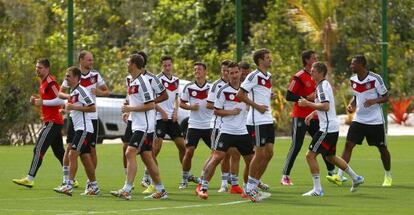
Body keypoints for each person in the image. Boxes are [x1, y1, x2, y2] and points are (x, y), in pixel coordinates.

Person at [298, 62, 364, 196]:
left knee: (310, 156)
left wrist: (307, 104)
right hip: (332, 127)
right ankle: (356, 178)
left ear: (320, 72)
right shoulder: (324, 85)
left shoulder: (322, 87)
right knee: (330, 157)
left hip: (327, 128)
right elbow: (326, 106)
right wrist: (313, 114)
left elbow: (326, 106)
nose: (311, 73)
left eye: (313, 71)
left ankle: (317, 190)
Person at [327, 55, 392, 187]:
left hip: (375, 121)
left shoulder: (375, 78)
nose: (351, 66)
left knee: (382, 148)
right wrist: (352, 105)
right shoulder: (353, 79)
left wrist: (374, 101)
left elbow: (386, 97)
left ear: (361, 64)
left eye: (353, 64)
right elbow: (356, 97)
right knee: (348, 145)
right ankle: (339, 176)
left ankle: (388, 175)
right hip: (359, 120)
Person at [110, 54, 168, 200]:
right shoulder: (133, 81)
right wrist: (129, 109)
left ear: (134, 64)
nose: (126, 64)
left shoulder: (143, 82)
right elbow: (136, 102)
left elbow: (150, 105)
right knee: (147, 157)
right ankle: (161, 190)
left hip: (144, 126)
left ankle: (127, 189)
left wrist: (131, 109)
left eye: (128, 62)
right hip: (137, 125)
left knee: (130, 153)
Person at [196, 62, 254, 199]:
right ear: (227, 74)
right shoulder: (223, 90)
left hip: (242, 131)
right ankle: (203, 187)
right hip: (226, 130)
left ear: (240, 73)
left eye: (235, 72)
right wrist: (231, 112)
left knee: (251, 161)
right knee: (217, 157)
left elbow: (251, 103)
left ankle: (247, 189)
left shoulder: (247, 89)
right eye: (230, 73)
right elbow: (216, 111)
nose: (233, 75)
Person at [281, 50, 335, 186]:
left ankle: (331, 173)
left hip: (315, 116)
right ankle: (285, 176)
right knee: (297, 145)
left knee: (322, 144)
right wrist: (305, 98)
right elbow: (288, 96)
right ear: (306, 60)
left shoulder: (318, 78)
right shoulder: (298, 76)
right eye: (313, 57)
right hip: (300, 116)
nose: (316, 59)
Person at [58, 50, 109, 191]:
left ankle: (72, 184)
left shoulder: (88, 83)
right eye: (89, 60)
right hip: (78, 122)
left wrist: (98, 93)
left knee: (78, 152)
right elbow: (61, 93)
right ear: (81, 60)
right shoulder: (73, 85)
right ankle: (91, 185)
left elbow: (96, 103)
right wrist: (68, 106)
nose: (91, 62)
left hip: (87, 123)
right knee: (81, 155)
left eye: (92, 60)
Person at [12, 58, 66, 188]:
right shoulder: (43, 82)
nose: (37, 69)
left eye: (40, 67)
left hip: (53, 122)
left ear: (47, 69)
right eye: (36, 67)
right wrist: (38, 99)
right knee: (59, 152)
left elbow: (61, 100)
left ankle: (30, 178)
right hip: (53, 121)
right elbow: (49, 99)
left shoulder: (50, 82)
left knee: (38, 149)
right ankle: (70, 179)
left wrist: (42, 102)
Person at [54, 66, 100, 196]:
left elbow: (92, 108)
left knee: (72, 154)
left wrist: (73, 106)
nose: (66, 78)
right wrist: (66, 110)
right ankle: (94, 187)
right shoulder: (73, 92)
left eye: (68, 76)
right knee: (85, 158)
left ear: (75, 78)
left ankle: (68, 185)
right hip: (79, 128)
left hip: (84, 129)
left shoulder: (81, 90)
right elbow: (78, 108)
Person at [237, 48, 275, 202]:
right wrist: (256, 106)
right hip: (256, 121)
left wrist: (268, 96)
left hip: (268, 119)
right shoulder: (253, 75)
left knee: (269, 153)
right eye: (267, 57)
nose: (270, 59)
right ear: (260, 60)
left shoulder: (269, 76)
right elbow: (240, 94)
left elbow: (261, 93)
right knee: (259, 153)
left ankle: (255, 181)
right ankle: (249, 187)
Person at [179, 62, 212, 189]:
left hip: (209, 126)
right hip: (194, 125)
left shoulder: (211, 87)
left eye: (199, 69)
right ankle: (184, 178)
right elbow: (181, 103)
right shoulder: (189, 87)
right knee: (189, 152)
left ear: (205, 72)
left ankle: (223, 180)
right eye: (195, 69)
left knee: (218, 153)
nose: (197, 71)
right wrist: (190, 107)